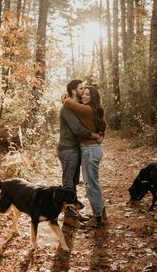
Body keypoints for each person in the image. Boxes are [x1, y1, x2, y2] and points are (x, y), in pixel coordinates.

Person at [58, 79, 101, 228]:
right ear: (74, 91)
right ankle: (69, 217)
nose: (84, 90)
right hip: (68, 149)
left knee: (74, 182)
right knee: (69, 183)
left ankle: (74, 213)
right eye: (81, 88)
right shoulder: (68, 108)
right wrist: (94, 135)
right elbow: (77, 129)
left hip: (74, 149)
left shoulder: (76, 107)